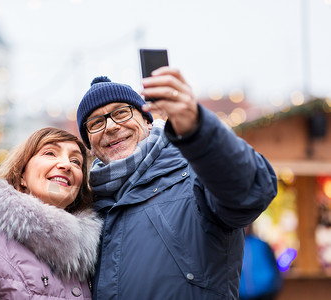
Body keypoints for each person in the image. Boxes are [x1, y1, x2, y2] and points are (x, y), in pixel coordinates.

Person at [76, 67, 278, 299]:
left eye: (121, 113)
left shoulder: (197, 176)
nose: (110, 126)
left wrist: (197, 127)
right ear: (89, 145)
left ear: (147, 121)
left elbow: (253, 190)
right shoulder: (87, 210)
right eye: (95, 123)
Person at [0, 127, 103, 299]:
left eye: (76, 161)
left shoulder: (89, 254)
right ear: (21, 174)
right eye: (50, 153)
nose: (66, 165)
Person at [239, 225, 282, 300]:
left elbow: (274, 267)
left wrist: (274, 288)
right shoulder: (231, 247)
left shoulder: (261, 244)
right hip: (241, 295)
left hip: (265, 293)